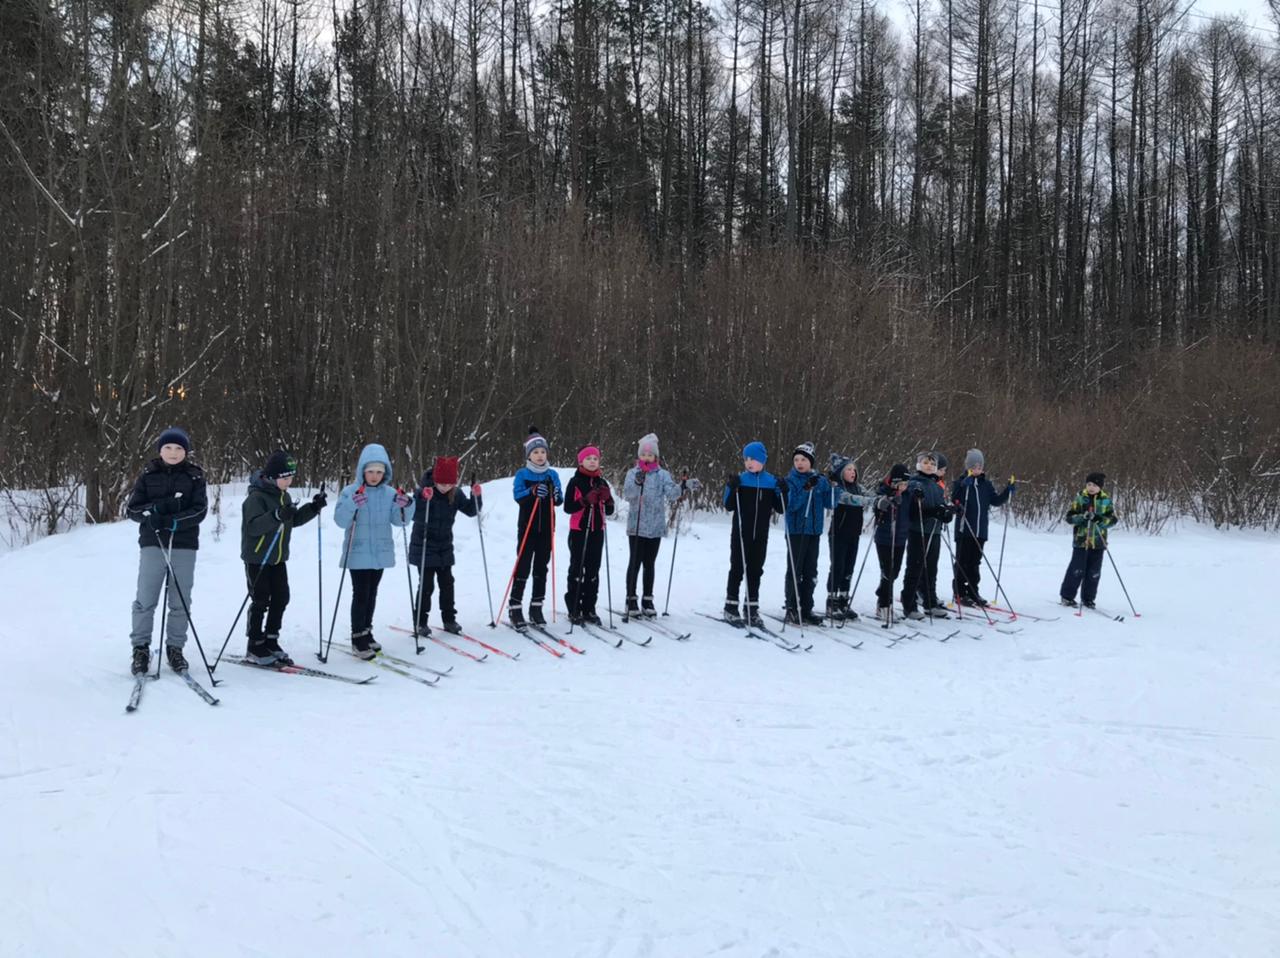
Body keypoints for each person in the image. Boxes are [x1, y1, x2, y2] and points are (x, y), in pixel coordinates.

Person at [125, 427, 209, 674]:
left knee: (180, 600)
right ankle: (140, 648)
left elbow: (200, 510)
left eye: (179, 448)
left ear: (186, 451)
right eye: (168, 448)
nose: (173, 453)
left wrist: (174, 521)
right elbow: (133, 510)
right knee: (145, 598)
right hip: (153, 542)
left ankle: (175, 648)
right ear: (160, 450)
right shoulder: (148, 475)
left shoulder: (195, 476)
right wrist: (153, 513)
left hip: (184, 544)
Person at [240, 450, 327, 665]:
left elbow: (292, 520)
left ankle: (271, 639)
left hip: (278, 558)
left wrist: (313, 507)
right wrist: (276, 515)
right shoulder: (256, 498)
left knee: (281, 597)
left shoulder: (283, 495)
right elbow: (253, 527)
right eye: (285, 478)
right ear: (272, 477)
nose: (288, 482)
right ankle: (254, 644)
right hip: (258, 558)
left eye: (290, 478)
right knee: (260, 600)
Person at [333, 443, 414, 658]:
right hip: (358, 552)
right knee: (360, 594)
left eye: (379, 472)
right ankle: (357, 638)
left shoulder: (389, 493)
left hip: (380, 553)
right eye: (370, 472)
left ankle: (367, 632)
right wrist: (352, 504)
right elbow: (340, 521)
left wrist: (407, 505)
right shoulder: (350, 492)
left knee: (372, 594)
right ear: (362, 471)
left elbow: (399, 521)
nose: (375, 476)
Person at [622, 433, 695, 618]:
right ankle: (631, 598)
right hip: (636, 526)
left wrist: (683, 486)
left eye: (650, 455)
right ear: (639, 456)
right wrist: (637, 483)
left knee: (650, 564)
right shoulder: (633, 473)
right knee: (635, 563)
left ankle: (648, 599)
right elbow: (628, 494)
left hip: (654, 526)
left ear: (656, 457)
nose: (647, 458)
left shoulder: (662, 475)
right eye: (644, 454)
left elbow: (671, 494)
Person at [408, 456, 480, 635]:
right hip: (423, 546)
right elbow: (413, 515)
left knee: (447, 583)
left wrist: (476, 496)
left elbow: (472, 511)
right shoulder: (423, 492)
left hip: (444, 546)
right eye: (442, 483)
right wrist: (424, 500)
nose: (445, 487)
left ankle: (449, 619)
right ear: (435, 479)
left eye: (450, 484)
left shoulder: (455, 494)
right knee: (426, 586)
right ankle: (420, 621)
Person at [723, 441, 784, 627]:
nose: (749, 462)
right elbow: (729, 505)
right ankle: (730, 606)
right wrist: (731, 487)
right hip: (741, 533)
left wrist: (783, 491)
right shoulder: (740, 480)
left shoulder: (770, 482)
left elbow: (781, 508)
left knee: (755, 570)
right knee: (737, 568)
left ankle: (751, 608)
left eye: (753, 459)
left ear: (762, 460)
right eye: (746, 459)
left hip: (761, 534)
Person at [509, 427, 563, 628]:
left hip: (547, 528)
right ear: (529, 455)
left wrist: (556, 495)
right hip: (527, 527)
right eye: (535, 452)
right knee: (523, 566)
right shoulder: (522, 474)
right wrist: (532, 491)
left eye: (543, 452)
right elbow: (518, 496)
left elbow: (559, 500)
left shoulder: (552, 474)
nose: (540, 456)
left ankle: (536, 606)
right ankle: (515, 607)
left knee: (541, 567)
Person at [949, 448, 1014, 606]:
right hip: (964, 530)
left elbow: (996, 501)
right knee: (962, 562)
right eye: (974, 467)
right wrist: (964, 485)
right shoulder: (961, 482)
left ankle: (973, 591)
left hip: (980, 531)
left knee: (975, 563)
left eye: (979, 467)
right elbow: (954, 498)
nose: (977, 470)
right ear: (968, 467)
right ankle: (959, 591)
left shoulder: (986, 485)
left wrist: (1007, 491)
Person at [563, 445, 615, 625]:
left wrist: (608, 499)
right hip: (579, 531)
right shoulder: (575, 482)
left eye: (595, 459)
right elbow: (568, 507)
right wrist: (585, 501)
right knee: (577, 569)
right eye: (588, 459)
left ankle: (589, 608)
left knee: (593, 571)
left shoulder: (602, 482)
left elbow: (609, 510)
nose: (592, 462)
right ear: (581, 461)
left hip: (597, 531)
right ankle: (574, 608)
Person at [781, 441, 831, 626]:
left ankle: (806, 607)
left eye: (803, 459)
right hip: (796, 531)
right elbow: (791, 505)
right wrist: (805, 489)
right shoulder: (790, 480)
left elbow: (830, 503)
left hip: (814, 531)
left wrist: (830, 485)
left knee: (811, 571)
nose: (799, 463)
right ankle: (792, 607)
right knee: (796, 569)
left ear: (811, 461)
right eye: (796, 459)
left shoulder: (818, 480)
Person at [901, 451, 953, 620]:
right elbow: (913, 510)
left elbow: (941, 507)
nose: (929, 466)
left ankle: (930, 602)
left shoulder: (937, 487)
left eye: (932, 463)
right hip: (918, 531)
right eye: (925, 463)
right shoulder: (914, 483)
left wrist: (946, 513)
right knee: (915, 567)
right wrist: (929, 509)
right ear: (919, 465)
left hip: (935, 531)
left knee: (931, 568)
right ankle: (909, 603)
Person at [1059, 471, 1119, 608]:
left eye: (1095, 485)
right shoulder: (1081, 498)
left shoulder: (1106, 500)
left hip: (1098, 542)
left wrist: (1100, 520)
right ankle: (1067, 596)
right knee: (1077, 569)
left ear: (1100, 487)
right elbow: (1070, 517)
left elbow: (1112, 520)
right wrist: (1082, 517)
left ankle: (1088, 598)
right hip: (1082, 541)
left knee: (1094, 572)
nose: (1091, 487)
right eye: (1089, 484)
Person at [825, 453, 871, 621]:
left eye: (854, 469)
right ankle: (832, 601)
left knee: (849, 568)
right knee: (838, 566)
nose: (853, 472)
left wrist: (883, 499)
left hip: (854, 533)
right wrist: (871, 502)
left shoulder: (859, 487)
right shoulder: (837, 488)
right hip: (839, 533)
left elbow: (869, 496)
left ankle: (844, 599)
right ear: (840, 472)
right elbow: (852, 500)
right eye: (848, 469)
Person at [873, 464, 911, 621]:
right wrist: (886, 502)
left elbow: (913, 512)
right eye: (901, 484)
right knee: (887, 572)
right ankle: (884, 605)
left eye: (906, 484)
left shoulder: (908, 495)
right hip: (884, 538)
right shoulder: (883, 491)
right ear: (894, 482)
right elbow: (877, 507)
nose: (903, 487)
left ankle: (881, 594)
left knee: (894, 572)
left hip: (901, 538)